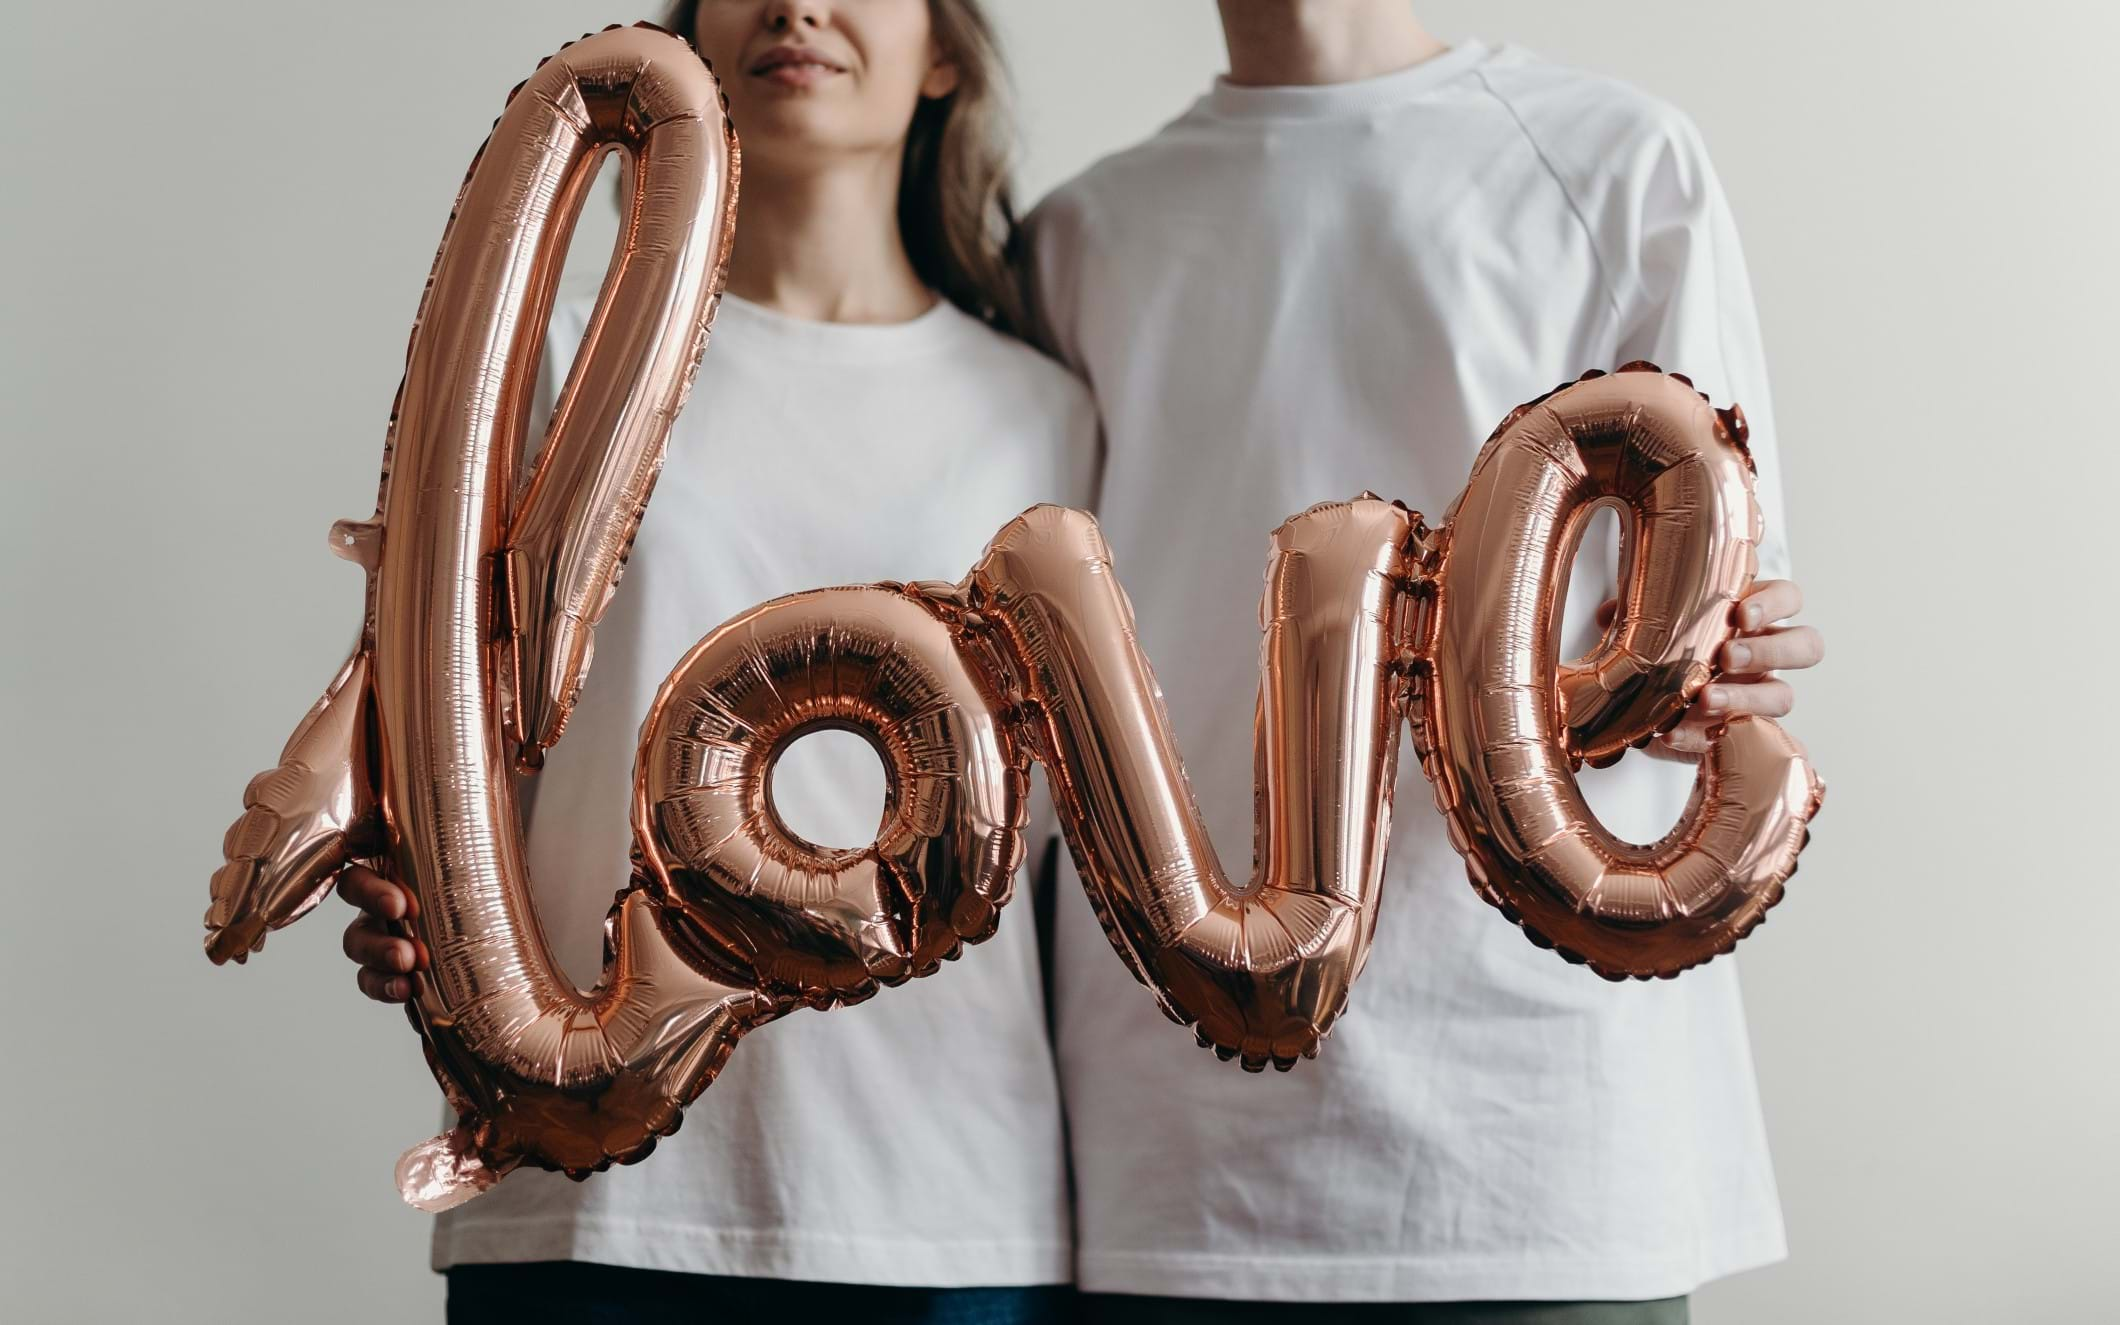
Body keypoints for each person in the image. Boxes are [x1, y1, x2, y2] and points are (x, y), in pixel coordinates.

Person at [1025, 2, 1824, 1321]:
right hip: (1182, 1166)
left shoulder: (1614, 162)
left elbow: (1719, 615)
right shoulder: (1083, 237)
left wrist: (1726, 667)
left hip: (1539, 1143)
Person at [336, 2, 1095, 1321]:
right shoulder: (557, 361)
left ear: (949, 55)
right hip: (587, 1197)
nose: (796, 4)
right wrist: (406, 881)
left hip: (936, 1209)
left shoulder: (1049, 415)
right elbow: (444, 730)